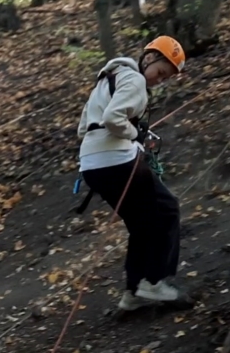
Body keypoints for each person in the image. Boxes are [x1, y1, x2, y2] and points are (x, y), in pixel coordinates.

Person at [77, 35, 192, 312]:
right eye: (161, 72)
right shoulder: (135, 79)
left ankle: (132, 293)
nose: (159, 80)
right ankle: (153, 283)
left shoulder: (107, 79)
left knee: (141, 225)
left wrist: (134, 135)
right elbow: (113, 119)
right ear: (149, 57)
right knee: (167, 210)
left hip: (92, 166)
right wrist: (134, 134)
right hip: (116, 161)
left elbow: (84, 128)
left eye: (165, 79)